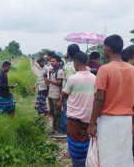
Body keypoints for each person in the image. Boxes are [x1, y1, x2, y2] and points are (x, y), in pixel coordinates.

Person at [87, 35, 134, 167]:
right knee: (125, 157)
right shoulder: (132, 70)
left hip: (108, 120)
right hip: (126, 120)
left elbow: (99, 99)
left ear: (107, 49)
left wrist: (91, 124)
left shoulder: (105, 69)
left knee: (108, 157)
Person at [56, 52, 96, 166]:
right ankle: (88, 161)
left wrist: (60, 101)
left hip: (74, 118)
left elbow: (65, 92)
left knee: (75, 143)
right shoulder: (95, 78)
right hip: (89, 117)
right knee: (87, 141)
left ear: (75, 63)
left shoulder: (73, 78)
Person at [58, 44, 81, 138]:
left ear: (69, 53)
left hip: (69, 96)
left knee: (66, 112)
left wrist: (61, 99)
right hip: (78, 95)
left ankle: (64, 131)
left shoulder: (71, 67)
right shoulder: (80, 65)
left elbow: (68, 85)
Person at [44, 55, 64, 135]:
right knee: (52, 112)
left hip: (56, 94)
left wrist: (49, 80)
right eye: (51, 61)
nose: (51, 63)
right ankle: (54, 128)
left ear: (58, 62)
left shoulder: (60, 71)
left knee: (57, 113)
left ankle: (58, 130)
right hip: (51, 94)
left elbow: (59, 83)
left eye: (53, 61)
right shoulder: (52, 71)